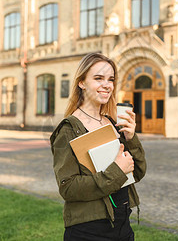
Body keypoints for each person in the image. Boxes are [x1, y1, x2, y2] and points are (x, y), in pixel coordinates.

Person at [50, 53, 146, 241]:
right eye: (98, 78)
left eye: (111, 79)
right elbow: (67, 188)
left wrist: (131, 138)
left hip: (122, 226)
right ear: (82, 83)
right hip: (89, 231)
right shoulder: (69, 130)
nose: (107, 85)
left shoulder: (112, 122)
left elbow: (138, 172)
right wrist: (117, 171)